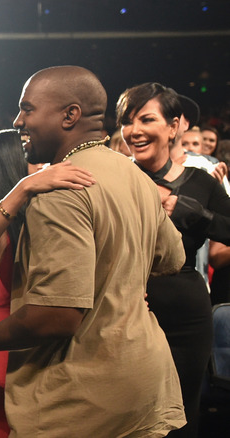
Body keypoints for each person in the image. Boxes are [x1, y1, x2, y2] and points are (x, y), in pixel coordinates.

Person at [0, 66, 186, 437]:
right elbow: (172, 258)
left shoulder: (61, 188)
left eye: (28, 109)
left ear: (69, 115)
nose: (19, 121)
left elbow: (57, 316)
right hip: (144, 385)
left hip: (83, 399)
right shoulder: (133, 174)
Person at [0, 129, 95, 437]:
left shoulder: (24, 214)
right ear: (9, 165)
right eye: (27, 157)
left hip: (18, 347)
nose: (38, 163)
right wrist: (26, 187)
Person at [117, 82, 230, 437]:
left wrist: (191, 211)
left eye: (146, 119)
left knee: (182, 414)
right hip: (125, 311)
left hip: (186, 315)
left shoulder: (200, 182)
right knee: (129, 416)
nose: (134, 130)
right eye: (127, 121)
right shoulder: (114, 179)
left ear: (174, 125)